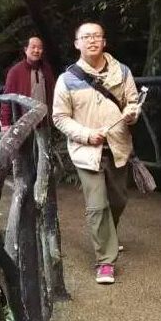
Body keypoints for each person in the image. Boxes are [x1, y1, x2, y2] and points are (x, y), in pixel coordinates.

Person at [53, 22, 138, 284]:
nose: (91, 40)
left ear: (104, 41)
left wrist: (132, 113)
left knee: (118, 200)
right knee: (98, 206)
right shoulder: (67, 79)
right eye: (86, 37)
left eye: (96, 36)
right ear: (77, 43)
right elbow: (60, 117)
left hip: (118, 146)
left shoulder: (122, 72)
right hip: (86, 151)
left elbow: (133, 102)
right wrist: (87, 135)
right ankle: (105, 261)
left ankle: (108, 236)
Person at [0, 36, 56, 131]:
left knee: (44, 140)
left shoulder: (46, 69)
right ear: (26, 50)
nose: (36, 50)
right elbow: (7, 97)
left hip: (45, 122)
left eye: (39, 48)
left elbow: (53, 92)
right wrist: (5, 122)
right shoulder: (15, 71)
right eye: (33, 47)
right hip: (24, 123)